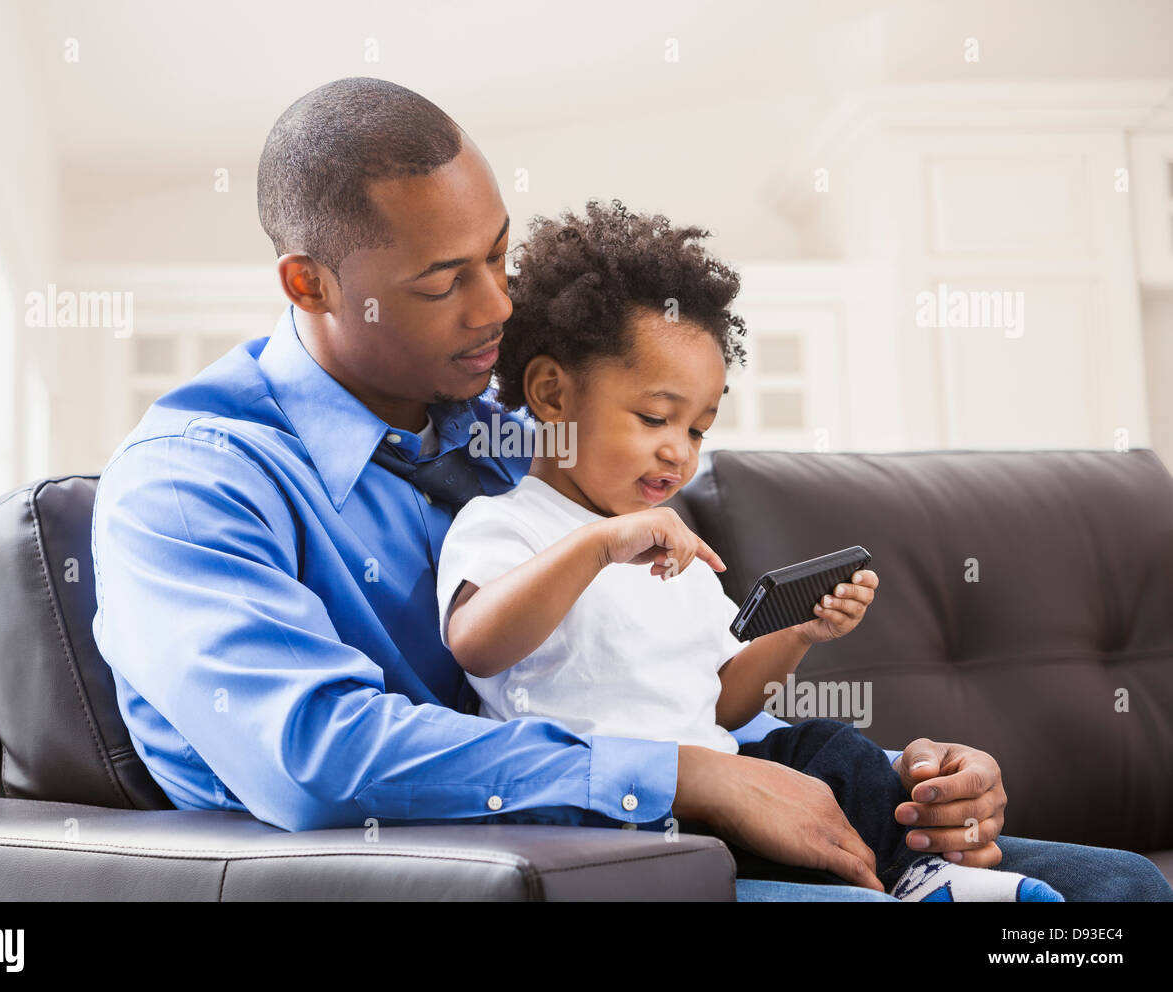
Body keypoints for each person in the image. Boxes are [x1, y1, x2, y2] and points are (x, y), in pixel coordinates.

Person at [90, 76, 1173, 901]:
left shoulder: (533, 436)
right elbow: (319, 759)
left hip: (666, 815)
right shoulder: (192, 486)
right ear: (310, 284)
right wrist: (680, 779)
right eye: (442, 281)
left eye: (498, 258)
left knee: (1123, 893)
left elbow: (664, 679)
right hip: (537, 865)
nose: (496, 309)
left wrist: (909, 778)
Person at [436, 200, 1071, 901]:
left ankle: (917, 872)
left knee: (828, 747)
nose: (678, 451)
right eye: (653, 417)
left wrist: (798, 632)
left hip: (729, 785)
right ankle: (914, 880)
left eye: (699, 429)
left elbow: (726, 702)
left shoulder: (674, 542)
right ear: (553, 394)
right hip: (614, 817)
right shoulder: (505, 524)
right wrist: (599, 545)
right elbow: (477, 643)